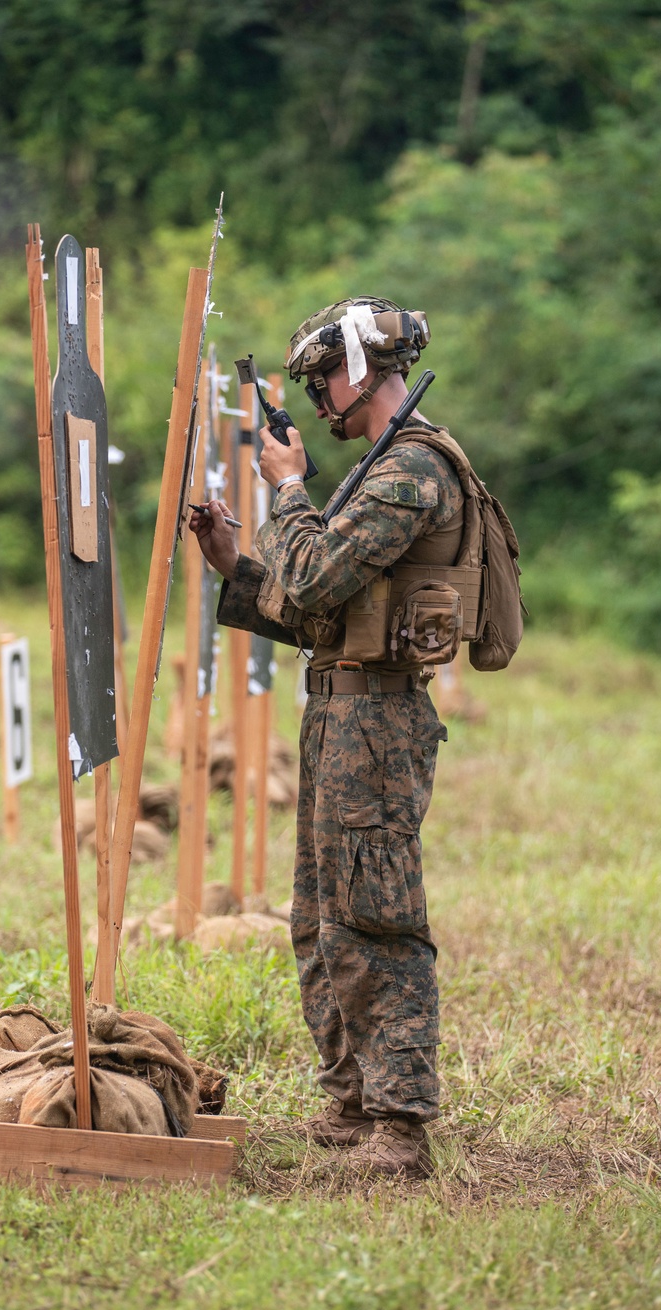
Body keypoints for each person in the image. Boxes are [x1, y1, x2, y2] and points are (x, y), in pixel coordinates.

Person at [189, 297, 466, 1179]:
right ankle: (351, 1098)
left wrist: (285, 487)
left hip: (377, 722)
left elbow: (310, 577)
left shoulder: (409, 474)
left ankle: (400, 1124)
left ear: (363, 369)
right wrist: (238, 565)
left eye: (321, 381)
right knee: (321, 918)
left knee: (375, 916)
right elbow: (323, 615)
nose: (314, 403)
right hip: (340, 711)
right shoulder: (380, 469)